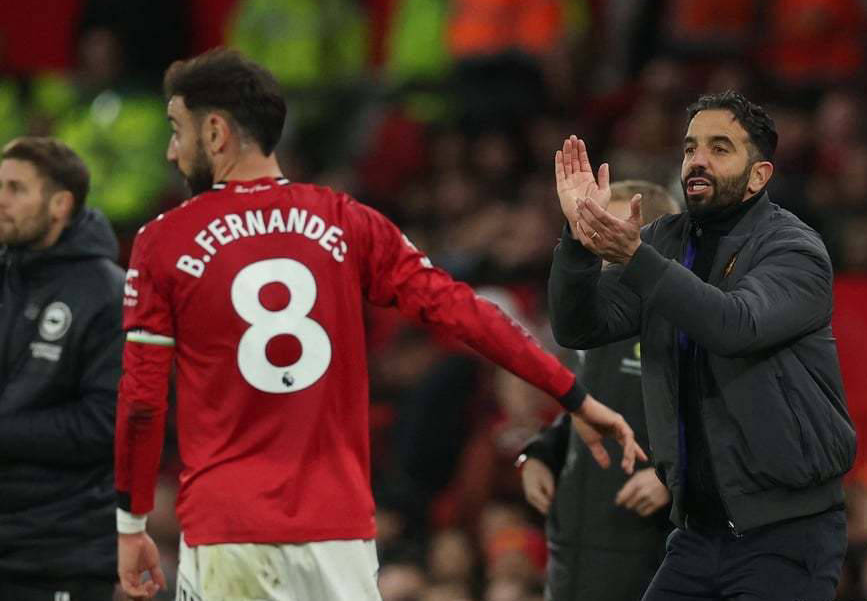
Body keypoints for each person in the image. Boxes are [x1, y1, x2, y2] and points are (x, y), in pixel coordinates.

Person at [113, 48, 642, 601]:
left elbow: (142, 402)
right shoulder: (349, 221)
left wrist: (131, 525)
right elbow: (465, 311)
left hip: (229, 527)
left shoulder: (163, 242)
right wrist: (572, 395)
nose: (172, 151)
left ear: (216, 132)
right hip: (338, 531)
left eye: (177, 130)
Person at [549, 90, 857, 600]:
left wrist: (637, 258)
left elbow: (733, 326)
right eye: (691, 147)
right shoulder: (663, 242)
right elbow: (579, 327)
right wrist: (579, 242)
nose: (697, 160)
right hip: (696, 534)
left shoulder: (794, 250)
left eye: (719, 148)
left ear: (758, 176)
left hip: (787, 534)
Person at [518, 180, 678, 601]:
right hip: (574, 538)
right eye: (595, 230)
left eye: (614, 228)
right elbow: (586, 407)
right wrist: (540, 454)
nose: (600, 243)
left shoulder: (685, 323)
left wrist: (673, 480)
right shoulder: (588, 326)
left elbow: (723, 423)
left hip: (648, 543)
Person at [0, 137, 124, 600]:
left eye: (16, 189)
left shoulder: (108, 294)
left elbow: (104, 424)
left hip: (59, 554)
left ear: (60, 205)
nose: (1, 200)